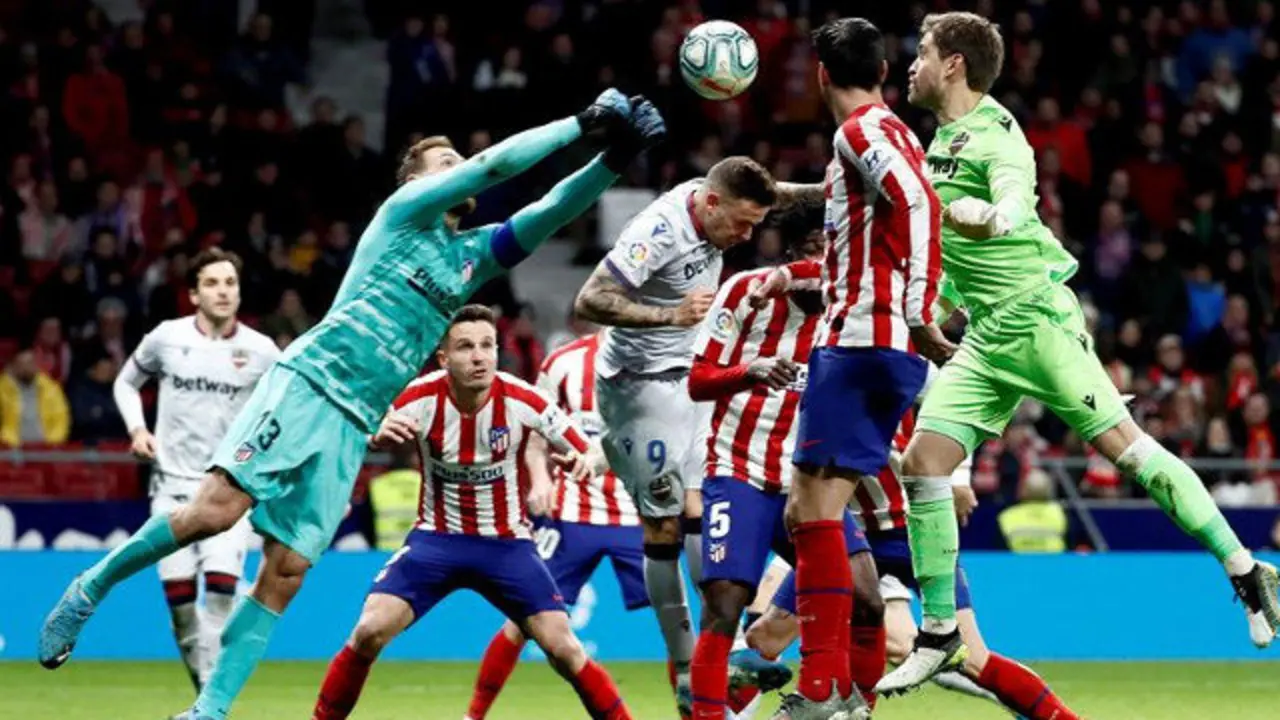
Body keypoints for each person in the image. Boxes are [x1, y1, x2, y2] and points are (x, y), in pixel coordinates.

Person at [38, 89, 666, 720]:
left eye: (456, 161)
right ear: (417, 182)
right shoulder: (404, 217)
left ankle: (210, 710)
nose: (455, 168)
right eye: (440, 163)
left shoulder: (472, 258)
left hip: (354, 421)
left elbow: (553, 209)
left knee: (284, 571)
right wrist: (581, 123)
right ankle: (89, 589)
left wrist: (615, 159)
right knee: (214, 511)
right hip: (309, 383)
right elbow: (490, 168)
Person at [879, 11, 1280, 693]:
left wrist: (994, 215)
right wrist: (934, 308)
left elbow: (1011, 199)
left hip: (1038, 323)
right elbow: (954, 256)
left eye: (920, 52)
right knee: (923, 463)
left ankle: (1246, 567)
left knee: (1128, 451)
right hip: (984, 337)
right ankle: (941, 632)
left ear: (953, 63)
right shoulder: (940, 139)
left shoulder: (999, 135)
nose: (909, 64)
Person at [746, 17, 950, 720]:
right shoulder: (892, 133)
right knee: (820, 512)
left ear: (823, 77)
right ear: (884, 73)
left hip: (862, 342)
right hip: (882, 347)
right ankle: (848, 694)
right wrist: (781, 195)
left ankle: (824, 685)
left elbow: (920, 206)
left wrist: (922, 307)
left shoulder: (857, 133)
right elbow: (865, 213)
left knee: (808, 510)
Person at [572, 155, 815, 716]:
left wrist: (841, 184)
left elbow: (778, 194)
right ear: (710, 206)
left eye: (755, 227)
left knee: (708, 504)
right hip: (637, 390)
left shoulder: (719, 195)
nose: (747, 237)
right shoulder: (657, 231)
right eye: (741, 224)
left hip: (692, 379)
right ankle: (687, 664)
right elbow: (590, 300)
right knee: (666, 521)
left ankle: (720, 659)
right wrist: (671, 315)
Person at [312, 306, 633, 720]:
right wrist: (373, 431)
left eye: (487, 345)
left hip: (507, 546)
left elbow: (592, 449)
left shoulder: (524, 399)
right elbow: (364, 425)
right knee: (368, 631)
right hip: (435, 542)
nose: (479, 356)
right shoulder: (421, 397)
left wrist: (589, 461)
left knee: (566, 650)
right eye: (465, 347)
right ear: (445, 358)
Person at [744, 370, 1085, 720]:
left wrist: (958, 477)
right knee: (765, 638)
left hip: (916, 533)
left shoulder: (897, 361)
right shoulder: (809, 370)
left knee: (972, 659)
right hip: (849, 533)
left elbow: (960, 402)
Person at [688, 218, 866, 720]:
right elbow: (699, 380)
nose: (820, 269)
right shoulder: (746, 293)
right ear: (788, 256)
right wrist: (750, 370)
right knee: (725, 604)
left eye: (831, 256)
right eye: (811, 252)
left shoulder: (848, 311)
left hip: (806, 484)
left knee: (866, 590)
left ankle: (829, 703)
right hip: (739, 471)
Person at [111, 248, 279, 692]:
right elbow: (125, 382)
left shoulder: (262, 352)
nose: (223, 291)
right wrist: (137, 429)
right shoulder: (166, 338)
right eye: (212, 283)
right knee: (182, 606)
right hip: (171, 491)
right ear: (193, 294)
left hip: (227, 492)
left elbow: (286, 411)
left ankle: (208, 708)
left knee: (222, 596)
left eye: (230, 283)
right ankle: (205, 696)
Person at [464, 322, 646, 720]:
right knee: (521, 621)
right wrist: (541, 478)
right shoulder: (563, 362)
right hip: (570, 515)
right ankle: (473, 716)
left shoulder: (659, 360)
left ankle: (699, 713)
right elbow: (535, 434)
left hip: (638, 515)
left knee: (676, 623)